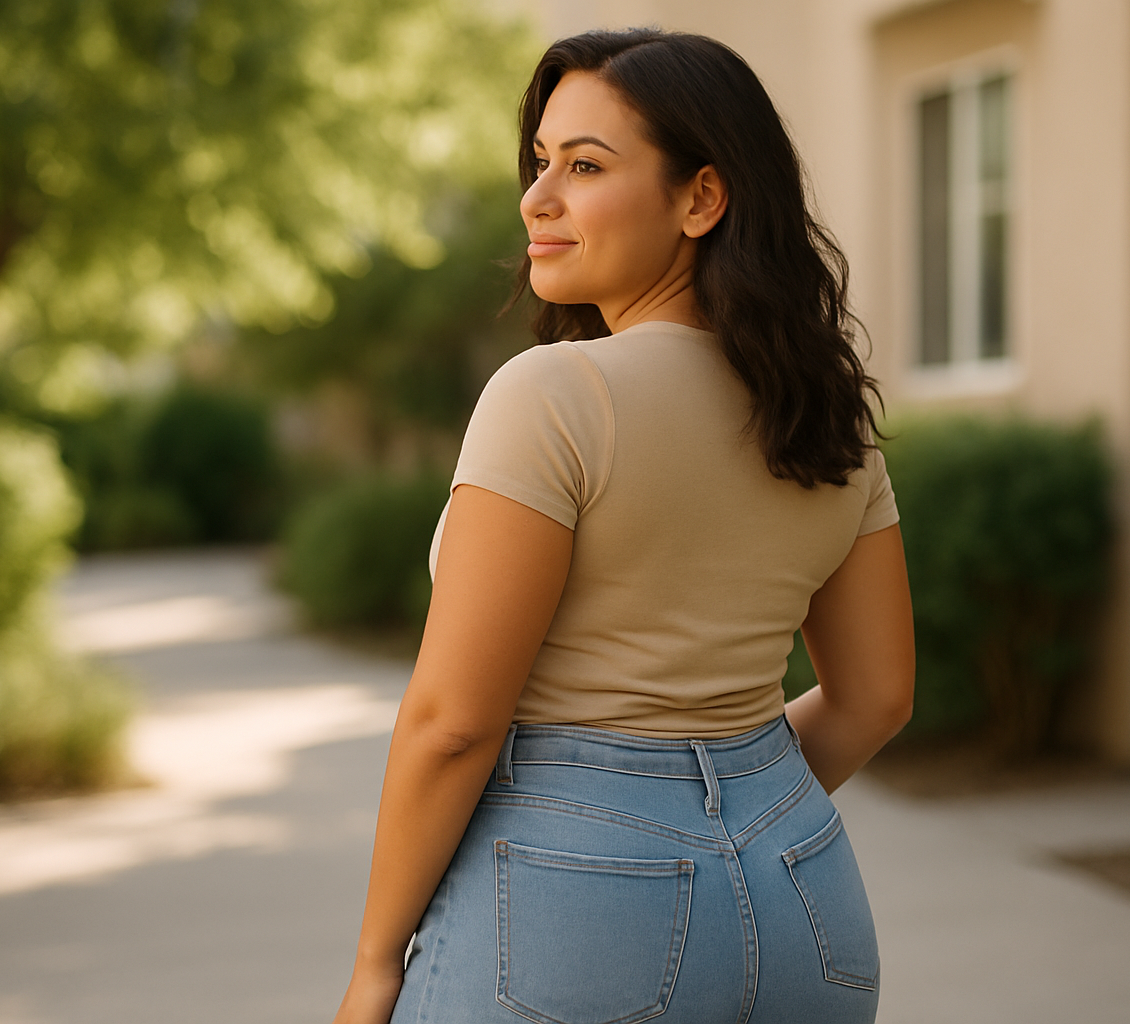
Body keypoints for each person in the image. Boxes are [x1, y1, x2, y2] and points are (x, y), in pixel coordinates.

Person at [331, 28, 915, 1024]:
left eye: (586, 166)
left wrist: (375, 964)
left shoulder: (552, 396)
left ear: (702, 197)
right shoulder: (827, 416)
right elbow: (876, 698)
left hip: (575, 907)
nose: (538, 197)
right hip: (803, 896)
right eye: (540, 162)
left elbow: (453, 722)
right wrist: (727, 802)